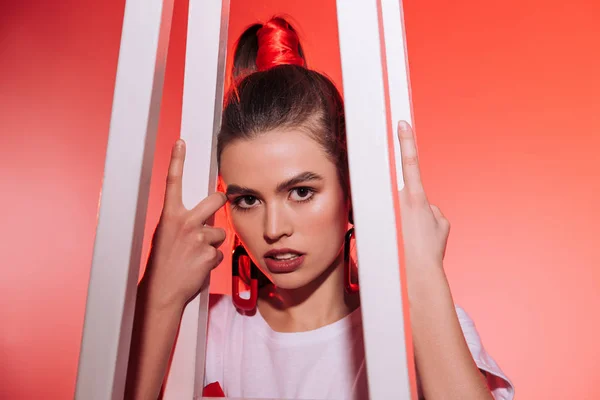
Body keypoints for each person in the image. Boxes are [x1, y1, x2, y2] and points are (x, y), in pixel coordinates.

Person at [125, 17, 515, 400]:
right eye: (247, 200)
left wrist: (423, 275)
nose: (273, 229)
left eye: (300, 192)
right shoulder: (201, 330)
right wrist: (158, 293)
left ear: (350, 186)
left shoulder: (426, 325)